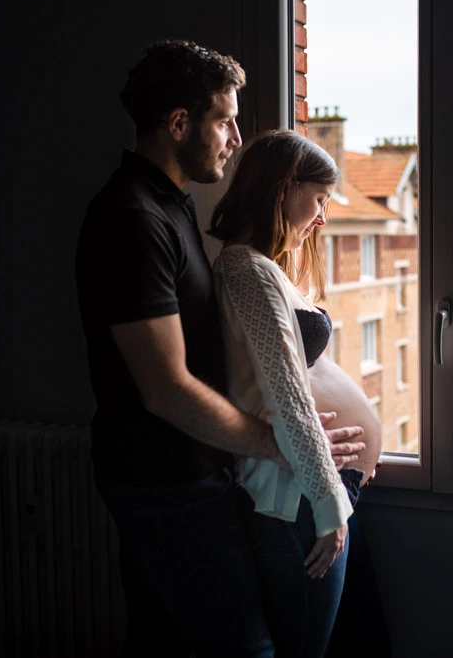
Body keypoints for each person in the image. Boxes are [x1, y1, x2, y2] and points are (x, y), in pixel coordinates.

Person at [74, 40, 365, 658]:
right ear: (179, 124)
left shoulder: (170, 208)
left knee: (164, 641)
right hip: (167, 483)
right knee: (248, 650)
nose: (236, 138)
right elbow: (166, 387)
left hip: (194, 476)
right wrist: (280, 446)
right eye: (224, 120)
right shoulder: (132, 219)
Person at [209, 129, 388, 658]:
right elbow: (289, 399)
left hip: (314, 492)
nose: (322, 217)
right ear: (284, 189)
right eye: (319, 200)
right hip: (301, 502)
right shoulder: (247, 270)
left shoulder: (262, 269)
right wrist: (332, 509)